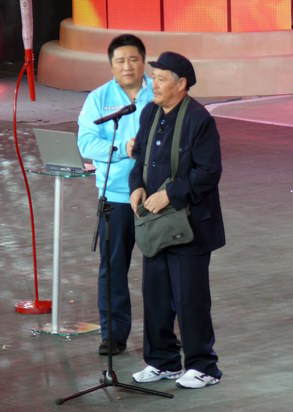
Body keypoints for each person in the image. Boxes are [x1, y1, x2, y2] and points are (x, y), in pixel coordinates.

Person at [129, 51, 225, 389]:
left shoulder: (199, 120)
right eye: (153, 78)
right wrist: (136, 186)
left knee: (189, 298)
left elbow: (208, 172)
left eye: (161, 79)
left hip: (191, 226)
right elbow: (139, 157)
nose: (153, 84)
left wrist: (170, 193)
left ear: (181, 84)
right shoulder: (149, 113)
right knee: (155, 295)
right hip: (156, 224)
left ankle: (203, 366)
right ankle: (162, 361)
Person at [77, 34, 153, 355]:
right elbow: (86, 143)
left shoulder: (159, 93)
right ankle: (114, 335)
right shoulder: (98, 99)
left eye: (133, 59)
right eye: (120, 61)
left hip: (155, 199)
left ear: (143, 61)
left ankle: (162, 336)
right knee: (113, 269)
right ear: (111, 66)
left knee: (161, 270)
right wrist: (122, 147)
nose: (127, 66)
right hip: (115, 198)